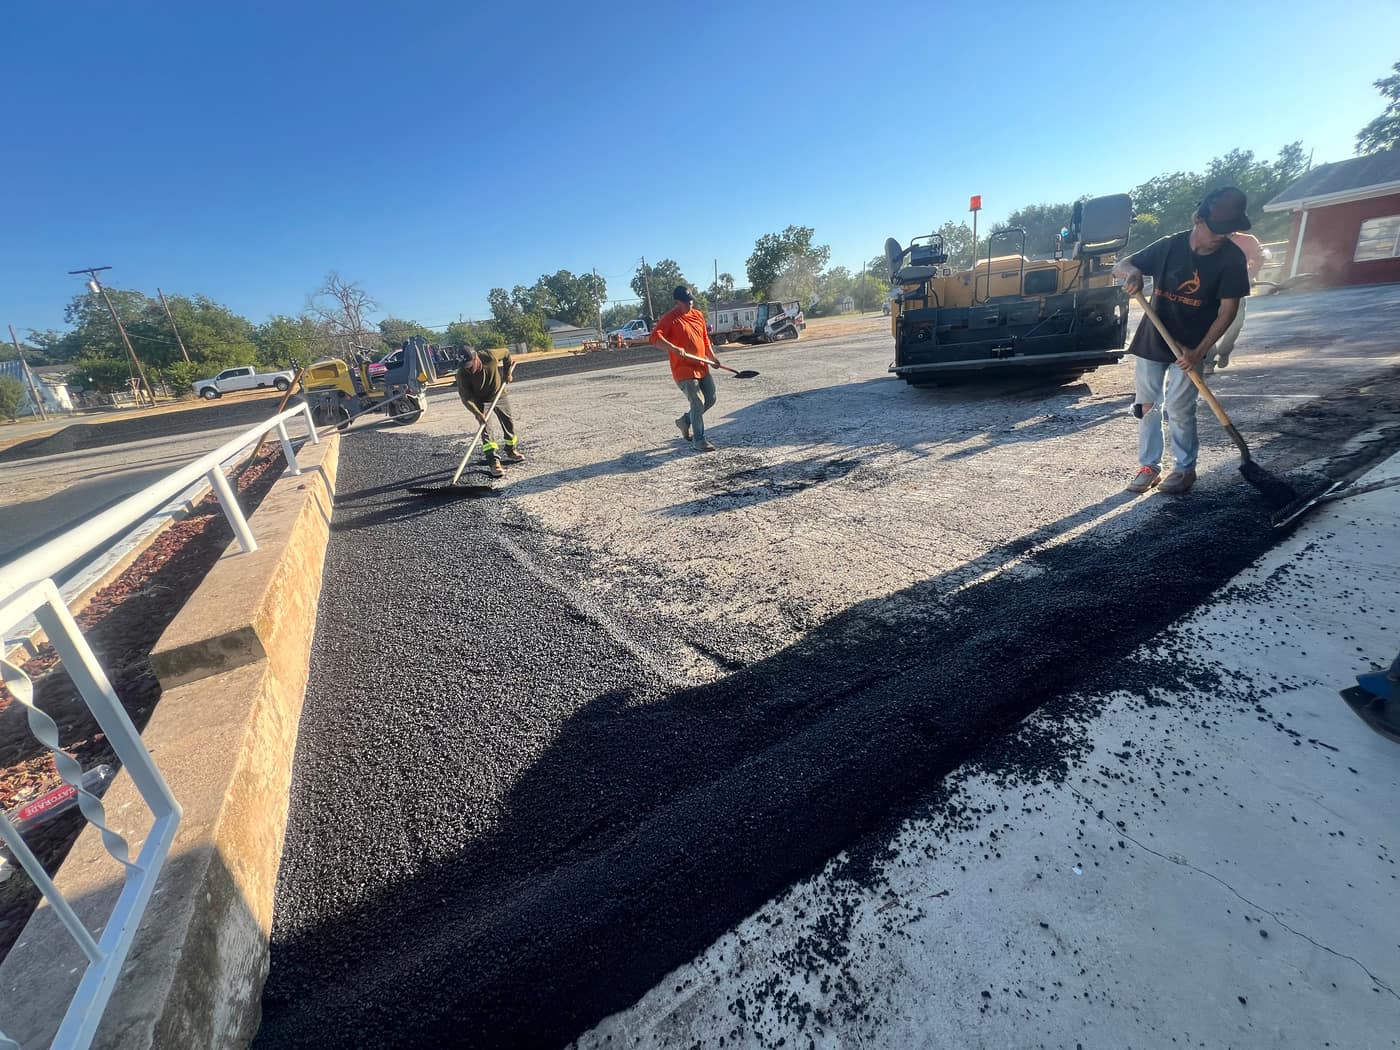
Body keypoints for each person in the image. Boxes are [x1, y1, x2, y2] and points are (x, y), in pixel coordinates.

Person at [1112, 187, 1252, 496]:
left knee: (1179, 406)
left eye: (1228, 231)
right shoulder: (1170, 247)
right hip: (1154, 338)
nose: (1222, 236)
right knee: (1147, 405)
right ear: (1198, 220)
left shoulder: (1231, 259)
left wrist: (1199, 351)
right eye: (1217, 229)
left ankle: (1185, 468)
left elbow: (1227, 311)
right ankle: (1149, 466)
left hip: (1194, 343)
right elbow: (1120, 265)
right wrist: (1133, 272)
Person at [649, 285, 723, 452]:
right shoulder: (670, 318)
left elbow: (705, 339)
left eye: (691, 300)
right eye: (686, 302)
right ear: (677, 302)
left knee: (711, 399)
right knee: (697, 403)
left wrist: (712, 357)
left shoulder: (698, 315)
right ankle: (699, 440)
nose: (690, 304)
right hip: (683, 370)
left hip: (702, 365)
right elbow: (654, 338)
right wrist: (673, 348)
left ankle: (685, 421)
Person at [1203, 230, 1268, 374]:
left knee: (1236, 322)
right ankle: (1208, 360)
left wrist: (1250, 275)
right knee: (1206, 324)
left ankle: (1225, 350)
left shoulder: (1248, 240)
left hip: (1236, 287)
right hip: (1210, 288)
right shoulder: (1207, 238)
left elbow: (1260, 257)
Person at [456, 347, 523, 478]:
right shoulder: (462, 374)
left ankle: (511, 450)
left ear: (476, 358)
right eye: (464, 366)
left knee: (508, 423)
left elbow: (506, 353)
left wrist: (507, 373)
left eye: (469, 365)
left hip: (499, 394)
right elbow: (466, 398)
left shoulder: (489, 356)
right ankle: (494, 462)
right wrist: (477, 413)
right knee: (486, 429)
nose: (468, 369)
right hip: (480, 400)